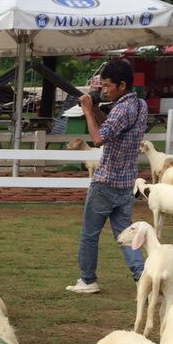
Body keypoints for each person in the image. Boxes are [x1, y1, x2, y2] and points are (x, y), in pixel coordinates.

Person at [66, 58, 147, 295]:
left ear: (122, 85)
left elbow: (99, 139)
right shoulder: (140, 105)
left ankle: (88, 280)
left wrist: (89, 112)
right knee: (126, 235)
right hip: (125, 183)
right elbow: (112, 128)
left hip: (105, 182)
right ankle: (142, 276)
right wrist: (99, 110)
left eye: (108, 86)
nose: (104, 90)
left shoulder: (122, 108)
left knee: (89, 234)